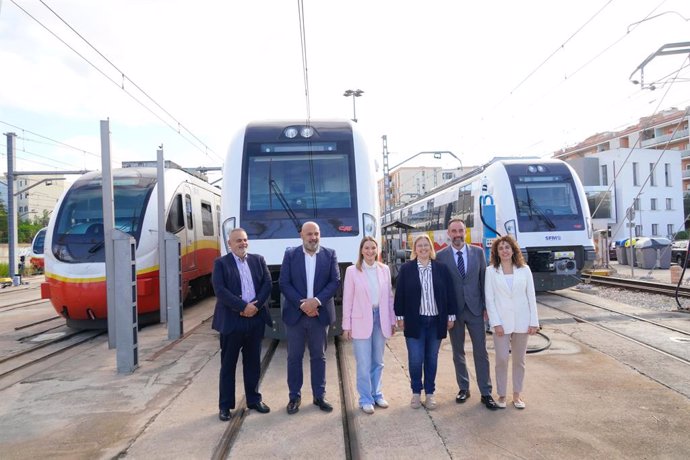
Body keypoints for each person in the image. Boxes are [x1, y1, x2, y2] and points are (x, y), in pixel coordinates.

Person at [436, 219, 498, 410]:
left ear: (465, 232)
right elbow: (441, 288)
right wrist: (445, 313)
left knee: (481, 351)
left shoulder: (478, 253)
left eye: (460, 231)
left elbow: (483, 281)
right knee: (458, 352)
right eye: (453, 231)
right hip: (454, 312)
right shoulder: (441, 256)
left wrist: (487, 307)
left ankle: (486, 392)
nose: (457, 234)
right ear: (448, 233)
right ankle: (464, 388)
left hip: (475, 309)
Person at [211, 228, 273, 421]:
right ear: (229, 244)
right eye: (238, 240)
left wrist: (255, 306)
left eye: (245, 240)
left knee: (253, 362)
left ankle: (254, 399)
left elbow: (267, 284)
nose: (242, 243)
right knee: (228, 365)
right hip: (232, 320)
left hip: (255, 319)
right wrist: (242, 306)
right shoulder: (221, 263)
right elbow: (220, 290)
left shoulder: (258, 260)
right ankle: (225, 406)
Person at [279, 221, 340, 415]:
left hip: (319, 315)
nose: (313, 237)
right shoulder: (290, 255)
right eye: (309, 234)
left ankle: (319, 396)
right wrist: (302, 304)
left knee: (319, 357)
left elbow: (334, 282)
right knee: (294, 357)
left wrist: (316, 302)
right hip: (296, 315)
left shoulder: (330, 254)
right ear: (301, 235)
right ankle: (294, 396)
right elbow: (284, 283)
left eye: (316, 233)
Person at [394, 234, 457, 410]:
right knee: (415, 359)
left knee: (431, 359)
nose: (423, 248)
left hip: (436, 321)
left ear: (431, 248)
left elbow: (449, 293)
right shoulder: (407, 269)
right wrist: (400, 317)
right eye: (419, 246)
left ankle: (430, 393)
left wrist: (450, 316)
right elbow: (400, 295)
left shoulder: (441, 269)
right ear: (415, 249)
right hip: (416, 321)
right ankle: (416, 392)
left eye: (426, 245)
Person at [342, 237, 396, 414]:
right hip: (360, 320)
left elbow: (389, 297)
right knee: (363, 362)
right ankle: (365, 398)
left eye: (373, 248)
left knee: (378, 361)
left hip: (381, 317)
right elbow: (347, 299)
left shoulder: (384, 270)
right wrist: (346, 325)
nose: (370, 251)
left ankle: (377, 393)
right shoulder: (352, 271)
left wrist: (392, 320)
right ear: (361, 250)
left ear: (377, 250)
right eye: (367, 248)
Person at [484, 235, 540, 409]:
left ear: (513, 250)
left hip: (522, 322)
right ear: (496, 252)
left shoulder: (524, 270)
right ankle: (501, 395)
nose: (504, 251)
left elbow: (531, 296)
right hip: (501, 323)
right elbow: (490, 299)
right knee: (501, 359)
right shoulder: (491, 271)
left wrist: (533, 321)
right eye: (501, 248)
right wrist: (495, 323)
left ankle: (517, 395)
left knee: (519, 360)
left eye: (507, 247)